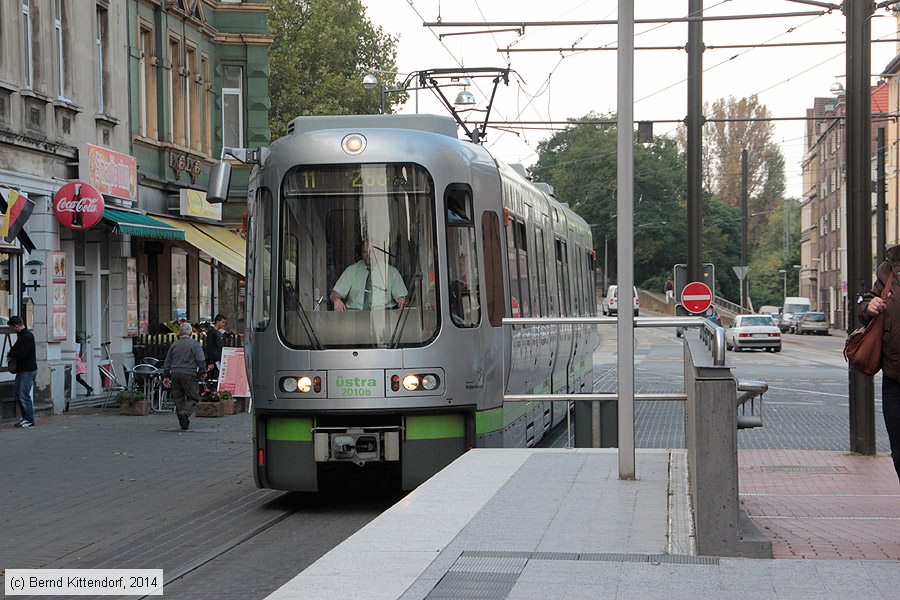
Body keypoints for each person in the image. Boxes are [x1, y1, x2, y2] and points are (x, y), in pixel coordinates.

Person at [859, 246, 900, 484]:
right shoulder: (889, 267)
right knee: (899, 452)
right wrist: (870, 306)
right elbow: (866, 302)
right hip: (895, 377)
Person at [330, 241, 408, 311]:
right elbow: (335, 294)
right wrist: (336, 300)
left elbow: (402, 296)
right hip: (354, 317)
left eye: (372, 252)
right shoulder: (351, 271)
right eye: (365, 252)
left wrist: (401, 300)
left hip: (384, 316)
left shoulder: (391, 272)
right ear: (361, 253)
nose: (368, 256)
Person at [162, 322, 206, 431]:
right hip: (189, 373)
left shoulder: (174, 345)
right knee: (194, 396)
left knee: (178, 398)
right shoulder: (195, 344)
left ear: (179, 333)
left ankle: (183, 422)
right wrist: (202, 372)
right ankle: (185, 413)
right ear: (191, 333)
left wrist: (166, 375)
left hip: (175, 373)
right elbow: (200, 360)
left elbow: (167, 362)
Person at [7, 315, 37, 428]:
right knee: (17, 394)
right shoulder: (22, 335)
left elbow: (21, 353)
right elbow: (15, 349)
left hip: (28, 370)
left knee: (23, 394)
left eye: (12, 328)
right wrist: (12, 353)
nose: (11, 330)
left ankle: (29, 419)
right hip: (22, 370)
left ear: (16, 326)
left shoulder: (27, 336)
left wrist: (11, 354)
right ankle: (25, 417)